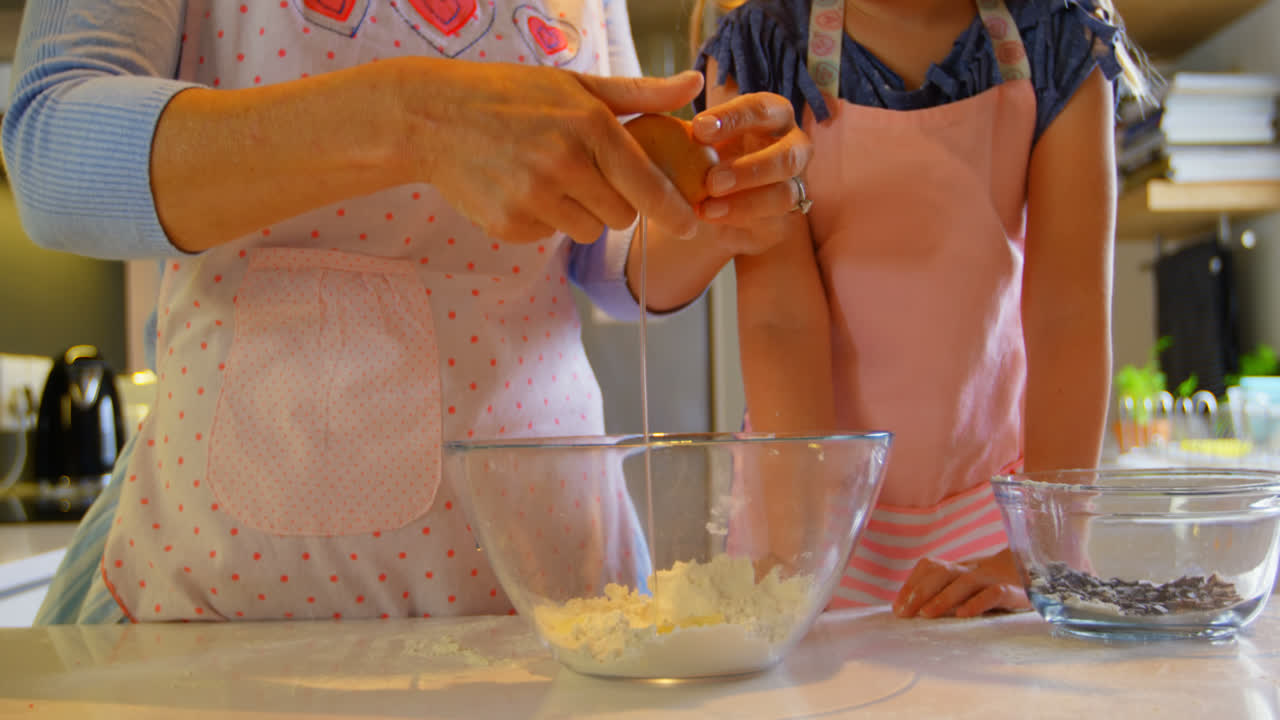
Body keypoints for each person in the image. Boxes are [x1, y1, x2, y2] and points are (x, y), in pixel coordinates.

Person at [3, 0, 814, 624]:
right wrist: (408, 117)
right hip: (249, 610)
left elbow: (600, 253)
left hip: (553, 589)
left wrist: (704, 211)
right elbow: (49, 149)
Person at [693, 0, 1149, 617]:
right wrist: (799, 551)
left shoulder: (1058, 42)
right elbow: (781, 319)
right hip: (803, 499)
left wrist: (1046, 549)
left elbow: (1068, 314)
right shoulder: (765, 47)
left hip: (999, 508)